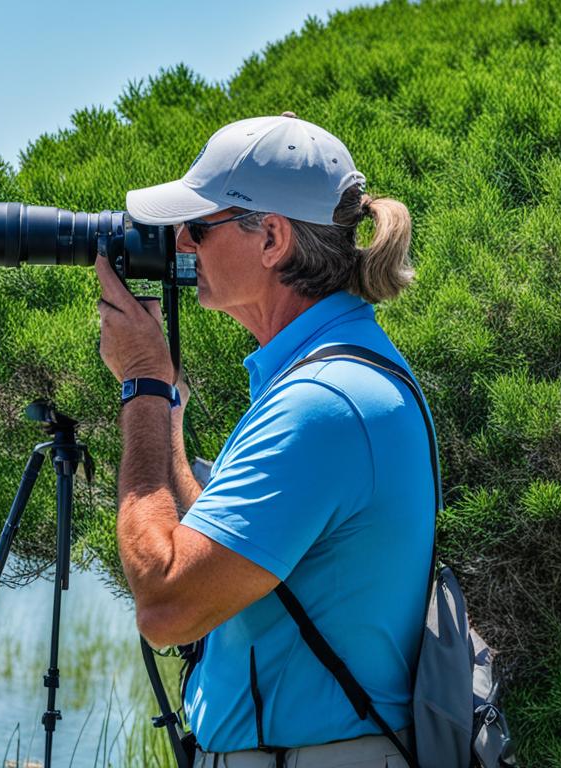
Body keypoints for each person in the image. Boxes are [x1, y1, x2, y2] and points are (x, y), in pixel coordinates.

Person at [95, 113, 433, 767]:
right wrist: (163, 404)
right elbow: (217, 554)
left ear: (272, 238)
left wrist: (139, 387)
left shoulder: (322, 407)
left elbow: (167, 604)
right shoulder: (336, 375)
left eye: (197, 226)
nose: (180, 244)